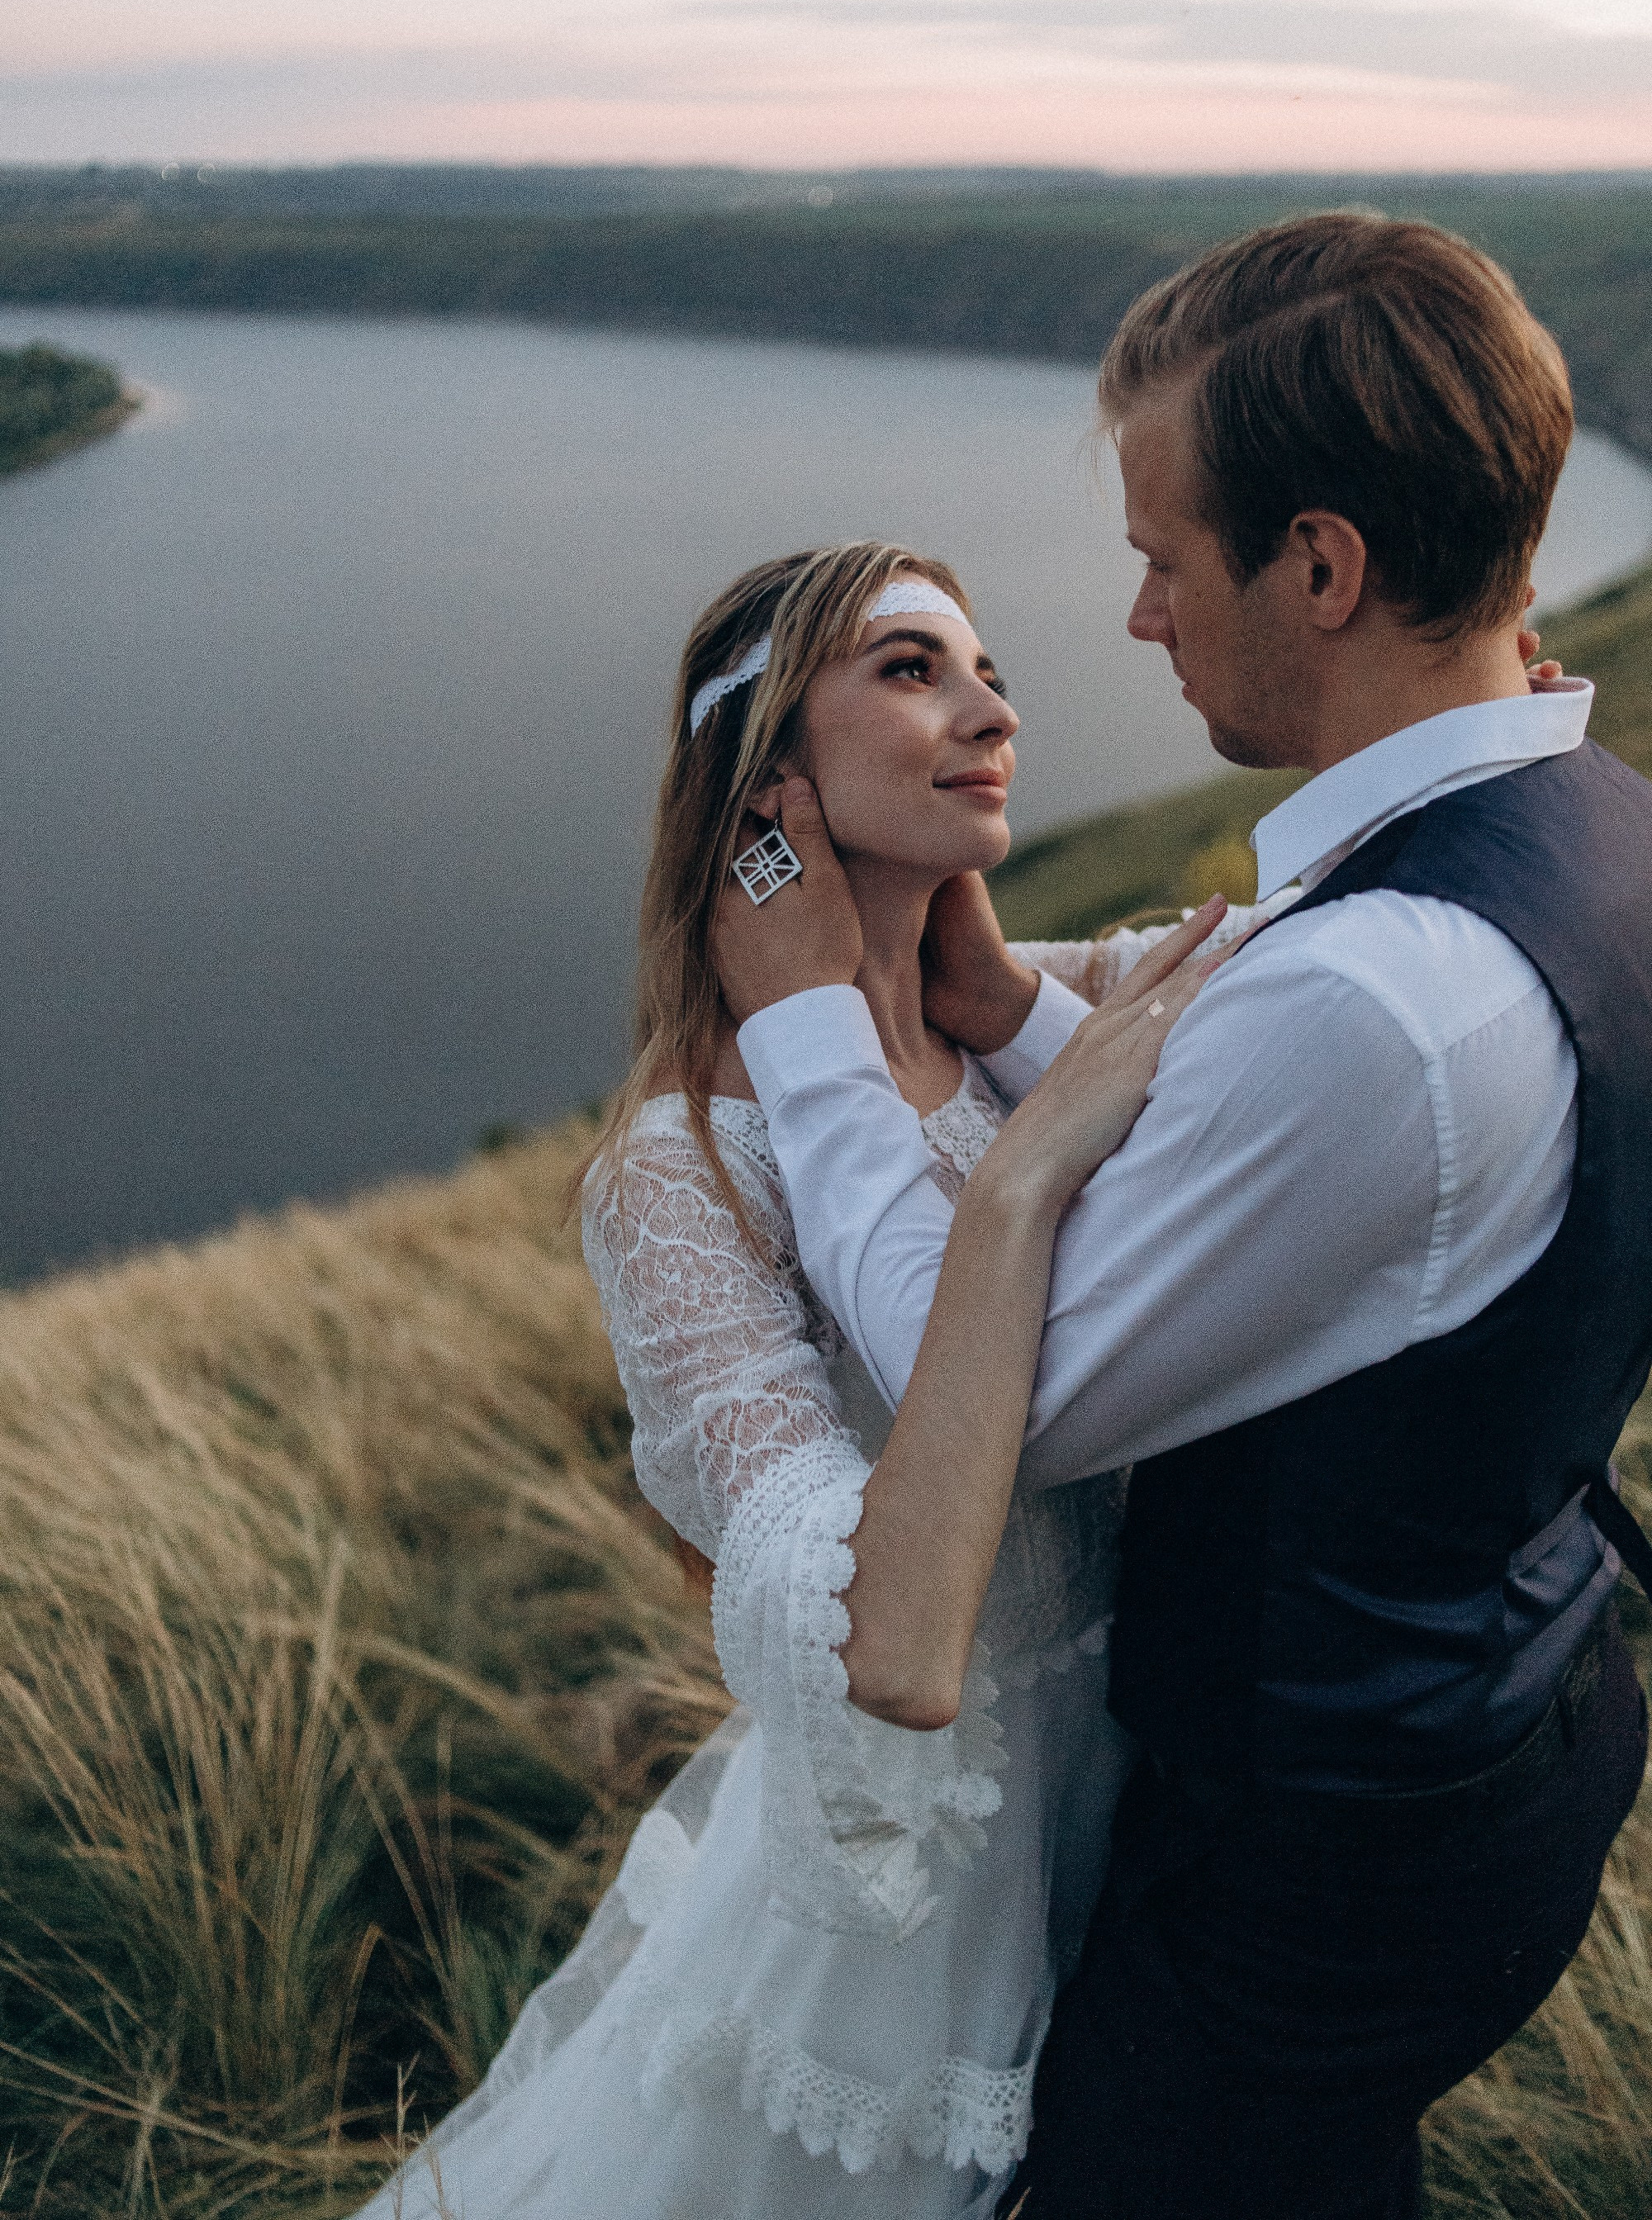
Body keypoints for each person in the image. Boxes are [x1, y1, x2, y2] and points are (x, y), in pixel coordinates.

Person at [714, 214, 1652, 2220]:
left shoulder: (1381, 994)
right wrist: (1012, 1016)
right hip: (1514, 1717)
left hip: (1322, 1859)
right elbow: (1338, 1203)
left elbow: (996, 1397)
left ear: (1320, 565)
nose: (1133, 617)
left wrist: (805, 1024)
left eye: (1163, 556)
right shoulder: (1591, 824)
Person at [354, 540, 1239, 2220]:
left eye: (981, 671)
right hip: (921, 1904)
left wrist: (1005, 1008)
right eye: (911, 671)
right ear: (765, 783)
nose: (990, 710)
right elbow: (839, 1619)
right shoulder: (685, 1169)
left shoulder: (1021, 1007)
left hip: (1149, 1789)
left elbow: (1301, 1001)